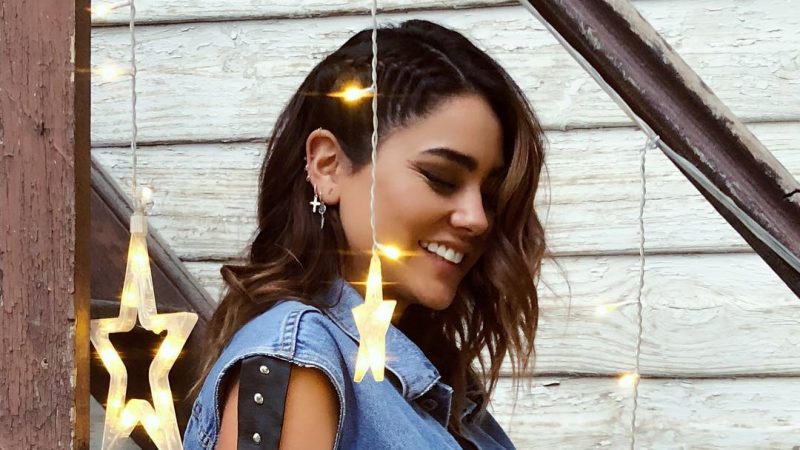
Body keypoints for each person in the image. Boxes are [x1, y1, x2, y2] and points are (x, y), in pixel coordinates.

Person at [183, 18, 546, 450]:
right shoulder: (300, 361)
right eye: (441, 178)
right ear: (328, 166)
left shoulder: (423, 375)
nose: (478, 218)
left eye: (489, 194)